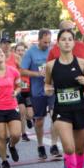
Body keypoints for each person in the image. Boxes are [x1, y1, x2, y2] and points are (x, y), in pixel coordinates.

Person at [46, 29, 84, 168]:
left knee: (80, 149)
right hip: (61, 110)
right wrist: (47, 90)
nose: (67, 42)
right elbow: (47, 86)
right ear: (58, 43)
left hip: (81, 109)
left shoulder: (83, 63)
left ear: (74, 43)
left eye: (70, 39)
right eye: (63, 39)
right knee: (69, 147)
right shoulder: (51, 65)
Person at [20, 29, 53, 160]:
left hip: (52, 89)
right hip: (38, 91)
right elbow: (22, 71)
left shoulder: (52, 51)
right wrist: (38, 74)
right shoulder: (31, 53)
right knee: (39, 121)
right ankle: (40, 145)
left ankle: (54, 145)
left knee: (56, 116)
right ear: (39, 40)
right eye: (45, 42)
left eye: (49, 42)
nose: (47, 45)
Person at [13, 42, 33, 141]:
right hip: (19, 91)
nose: (20, 52)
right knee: (22, 112)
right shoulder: (13, 64)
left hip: (28, 91)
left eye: (22, 50)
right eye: (18, 50)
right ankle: (24, 134)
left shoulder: (29, 62)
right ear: (15, 52)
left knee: (30, 114)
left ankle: (29, 119)